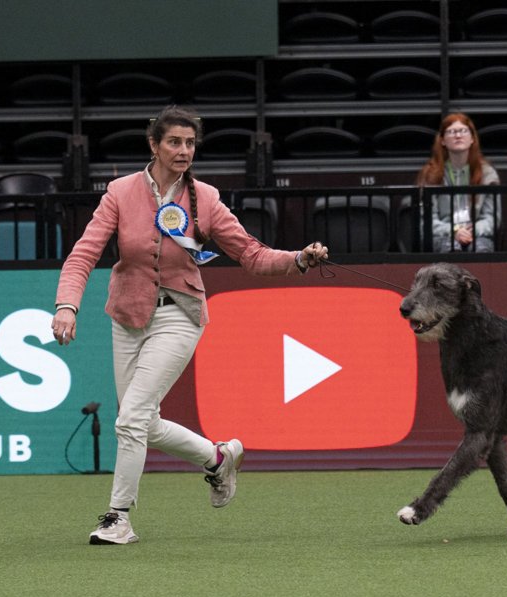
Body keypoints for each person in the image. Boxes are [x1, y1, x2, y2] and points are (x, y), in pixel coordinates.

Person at [52, 106, 328, 545]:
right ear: (154, 146)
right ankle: (218, 458)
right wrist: (67, 304)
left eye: (190, 143)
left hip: (179, 314)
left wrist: (298, 259)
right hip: (126, 316)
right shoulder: (120, 193)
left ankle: (117, 517)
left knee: (130, 419)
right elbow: (83, 253)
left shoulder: (208, 198)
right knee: (142, 420)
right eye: (175, 142)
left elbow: (252, 255)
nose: (184, 151)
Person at [416, 113, 500, 252]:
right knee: (451, 248)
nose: (458, 135)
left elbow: (492, 218)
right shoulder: (430, 174)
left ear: (472, 138)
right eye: (451, 131)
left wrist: (471, 231)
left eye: (463, 131)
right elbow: (426, 221)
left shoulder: (487, 173)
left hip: (477, 235)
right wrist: (454, 231)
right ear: (442, 140)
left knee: (480, 249)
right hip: (442, 235)